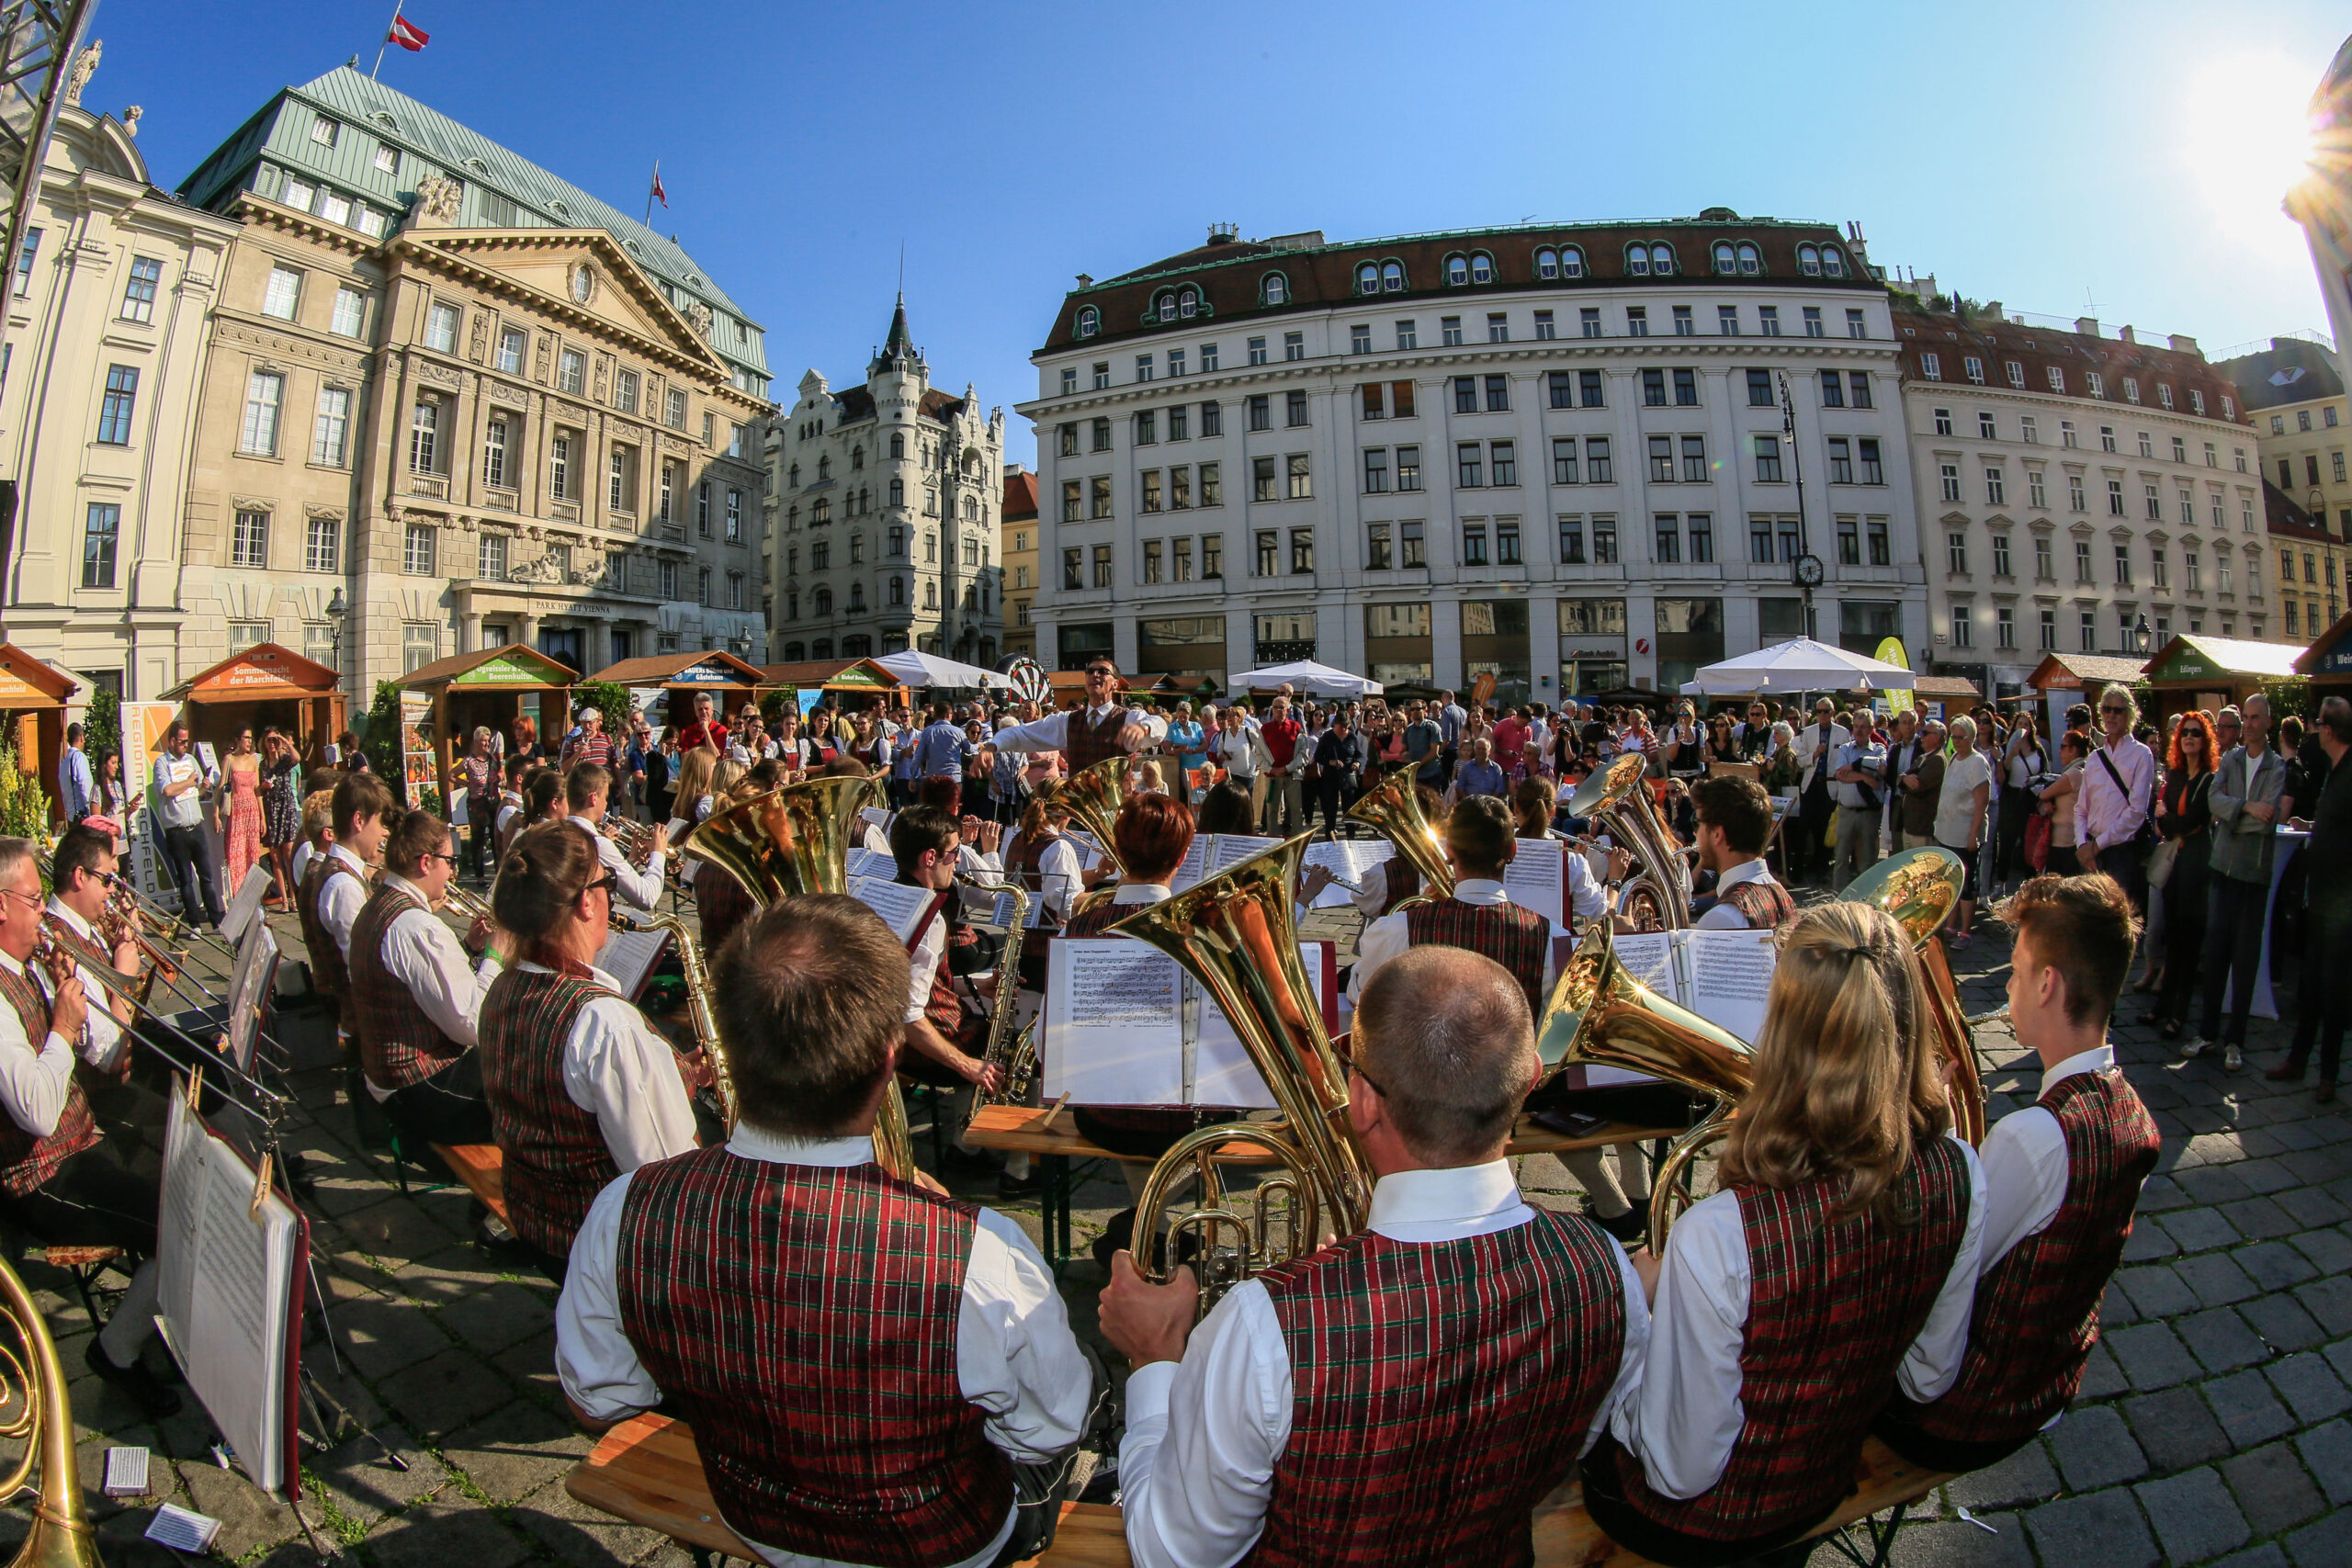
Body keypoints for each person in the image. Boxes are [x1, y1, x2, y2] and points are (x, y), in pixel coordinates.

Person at [556, 894, 1096, 1568]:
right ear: (886, 1062)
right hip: (939, 1545)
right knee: (1085, 1379)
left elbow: (599, 1395)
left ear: (724, 1043)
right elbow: (1053, 1426)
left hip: (753, 1510)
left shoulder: (623, 1208)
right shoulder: (981, 1253)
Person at [1100, 946, 1647, 1566]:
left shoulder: (1261, 1325)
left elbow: (1174, 1554)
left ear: (1361, 1100)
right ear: (1526, 1085)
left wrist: (1152, 1359)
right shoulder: (1606, 1266)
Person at [1580, 902, 1985, 1568]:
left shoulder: (1719, 1234)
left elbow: (1679, 1471)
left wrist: (1626, 1351)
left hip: (1704, 1523)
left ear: (1783, 1036)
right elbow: (1930, 1375)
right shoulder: (1963, 1170)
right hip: (1826, 1477)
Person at [1876, 873, 2159, 1472]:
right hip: (2048, 1385)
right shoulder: (2135, 1113)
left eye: (2016, 968)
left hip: (1966, 1414)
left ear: (2048, 983)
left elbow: (1937, 1271)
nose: (2008, 985)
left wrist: (1918, 1132)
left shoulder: (2032, 1138)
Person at [0, 837, 179, 1416]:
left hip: (78, 1138)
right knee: (179, 1223)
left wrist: (69, 993)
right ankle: (116, 1350)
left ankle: (170, 1318)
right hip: (43, 1177)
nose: (42, 911)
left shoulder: (22, 966)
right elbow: (34, 1109)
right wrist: (63, 1025)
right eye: (33, 899)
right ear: (2, 906)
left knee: (189, 1169)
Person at [481, 822, 698, 1278]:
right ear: (585, 901)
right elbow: (665, 1177)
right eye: (607, 884)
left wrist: (669, 1078)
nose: (611, 899)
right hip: (601, 1247)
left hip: (535, 1220)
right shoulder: (604, 1022)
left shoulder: (501, 986)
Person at [345, 809, 508, 1150]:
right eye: (449, 860)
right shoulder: (418, 927)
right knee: (541, 1087)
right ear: (425, 862)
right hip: (421, 1089)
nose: (451, 871)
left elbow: (420, 990)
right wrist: (494, 957)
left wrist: (469, 949)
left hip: (392, 1081)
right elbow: (472, 1024)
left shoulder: (378, 906)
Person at [1350, 795, 1552, 1020]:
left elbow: (1361, 995)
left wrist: (1421, 913)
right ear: (1513, 850)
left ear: (1448, 851)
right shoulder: (1551, 936)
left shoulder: (1396, 929)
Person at [2185, 692, 2289, 1074]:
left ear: (2267, 721)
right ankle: (2208, 1032)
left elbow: (2266, 819)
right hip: (2222, 868)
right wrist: (2244, 807)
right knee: (2215, 955)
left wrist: (2235, 813)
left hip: (2253, 874)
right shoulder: (2230, 759)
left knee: (2245, 960)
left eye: (2255, 717)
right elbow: (2215, 801)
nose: (2248, 723)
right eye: (2245, 716)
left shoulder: (2276, 767)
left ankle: (2236, 1040)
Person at [889, 807, 1003, 1097]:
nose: (956, 863)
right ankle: (966, 1139)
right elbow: (909, 1013)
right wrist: (967, 1065)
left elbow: (918, 986)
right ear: (930, 858)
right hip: (919, 1045)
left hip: (884, 1035)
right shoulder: (929, 920)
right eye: (953, 854)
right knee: (999, 1044)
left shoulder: (885, 896)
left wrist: (978, 985)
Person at [2273, 694, 2352, 1101]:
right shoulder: (2333, 770)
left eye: (2318, 723)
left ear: (2330, 728)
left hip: (2342, 903)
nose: (2314, 728)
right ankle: (2299, 1059)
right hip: (2320, 898)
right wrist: (2313, 824)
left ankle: (2328, 1076)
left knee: (2333, 991)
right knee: (2310, 985)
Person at [299, 773, 394, 1043]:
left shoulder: (342, 873)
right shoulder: (343, 885)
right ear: (359, 821)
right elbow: (363, 967)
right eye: (380, 822)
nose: (385, 832)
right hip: (364, 1027)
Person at [2150, 712, 2217, 1041]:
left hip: (2195, 864)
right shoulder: (2174, 776)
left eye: (2196, 733)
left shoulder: (2208, 779)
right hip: (2174, 864)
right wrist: (2169, 821)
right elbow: (2161, 822)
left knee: (2188, 941)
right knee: (2171, 935)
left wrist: (2170, 821)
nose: (2189, 737)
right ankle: (2163, 1005)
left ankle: (2179, 1013)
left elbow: (2194, 819)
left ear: (2205, 741)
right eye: (2185, 733)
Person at [2077, 683, 2157, 917]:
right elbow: (2081, 808)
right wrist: (2082, 843)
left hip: (2121, 852)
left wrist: (2096, 845)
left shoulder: (2141, 754)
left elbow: (2136, 812)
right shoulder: (2094, 757)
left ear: (2130, 715)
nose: (2111, 715)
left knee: (2115, 921)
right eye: (2106, 709)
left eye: (2118, 710)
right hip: (2091, 848)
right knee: (2089, 919)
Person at [1689, 776, 1796, 932]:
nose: (1694, 832)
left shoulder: (1721, 918)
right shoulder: (1781, 894)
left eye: (1696, 823)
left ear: (1718, 834)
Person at [563, 763, 670, 911]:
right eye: (605, 797)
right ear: (594, 798)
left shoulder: (556, 832)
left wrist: (631, 862)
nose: (606, 803)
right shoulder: (598, 844)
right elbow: (646, 898)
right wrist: (658, 854)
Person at [152, 723, 222, 929]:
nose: (185, 745)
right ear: (172, 741)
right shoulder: (161, 763)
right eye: (182, 742)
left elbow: (197, 792)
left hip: (196, 826)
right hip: (177, 830)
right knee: (186, 880)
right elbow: (167, 790)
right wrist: (190, 783)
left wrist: (203, 787)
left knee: (207, 877)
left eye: (187, 741)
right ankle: (194, 924)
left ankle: (215, 919)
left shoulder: (191, 760)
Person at [1936, 715, 1996, 947]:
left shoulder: (1977, 762)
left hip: (1965, 833)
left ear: (1971, 738)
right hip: (1947, 830)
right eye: (1954, 736)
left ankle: (1965, 932)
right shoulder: (1953, 759)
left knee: (1967, 884)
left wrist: (1974, 834)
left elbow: (1982, 802)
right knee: (1951, 882)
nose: (1957, 741)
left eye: (1961, 737)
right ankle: (1951, 926)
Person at [1787, 698, 1850, 884]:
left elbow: (1844, 759)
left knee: (1824, 830)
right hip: (1811, 784)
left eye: (1826, 711)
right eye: (1819, 711)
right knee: (1803, 827)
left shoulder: (1842, 733)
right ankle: (1797, 871)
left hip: (1830, 785)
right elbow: (1799, 760)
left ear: (1832, 713)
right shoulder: (1809, 732)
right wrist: (1814, 754)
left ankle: (1822, 869)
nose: (1822, 715)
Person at [1829, 706, 1888, 889]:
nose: (1859, 730)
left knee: (1867, 862)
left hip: (1869, 814)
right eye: (1856, 726)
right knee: (1840, 859)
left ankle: (1864, 900)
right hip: (1847, 812)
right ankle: (1837, 898)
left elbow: (1882, 770)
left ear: (1871, 729)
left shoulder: (1879, 749)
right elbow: (1840, 775)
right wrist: (1864, 776)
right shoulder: (1846, 749)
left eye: (1863, 727)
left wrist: (1856, 766)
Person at [1997, 713, 2049, 894]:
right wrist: (2012, 752)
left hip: (2030, 798)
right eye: (2020, 724)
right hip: (2012, 797)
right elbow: (2004, 771)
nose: (2023, 728)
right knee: (2007, 841)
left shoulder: (2038, 749)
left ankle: (2030, 883)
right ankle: (2001, 882)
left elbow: (2044, 773)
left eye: (2026, 724)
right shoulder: (2007, 748)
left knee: (2029, 840)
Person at [1894, 717, 1946, 852]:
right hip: (1911, 826)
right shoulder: (1923, 757)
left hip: (1922, 828)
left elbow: (1917, 786)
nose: (1921, 735)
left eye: (1925, 733)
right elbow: (1901, 778)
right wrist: (1904, 779)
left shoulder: (1937, 760)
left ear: (1937, 738)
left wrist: (1903, 780)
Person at [1449, 736, 1509, 802]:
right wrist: (1468, 801)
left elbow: (1499, 789)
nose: (1481, 751)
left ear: (1489, 751)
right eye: (1478, 748)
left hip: (1490, 804)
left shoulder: (1496, 768)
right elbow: (1460, 787)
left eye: (1484, 749)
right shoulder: (1467, 767)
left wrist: (1489, 802)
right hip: (1470, 803)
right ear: (1474, 750)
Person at [58, 721, 93, 824]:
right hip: (82, 815)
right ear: (82, 737)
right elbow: (85, 786)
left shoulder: (65, 761)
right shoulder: (79, 757)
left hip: (71, 816)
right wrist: (91, 812)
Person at [562, 705, 615, 771]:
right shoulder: (573, 742)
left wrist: (620, 780)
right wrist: (578, 753)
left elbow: (614, 763)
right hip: (582, 780)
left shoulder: (607, 738)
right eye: (584, 723)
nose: (587, 726)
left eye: (590, 723)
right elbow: (564, 768)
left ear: (597, 721)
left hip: (602, 779)